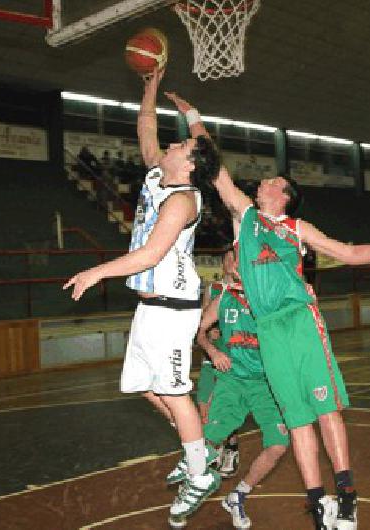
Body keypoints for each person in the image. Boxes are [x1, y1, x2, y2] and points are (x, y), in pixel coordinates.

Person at [166, 92, 370, 530]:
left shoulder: (295, 228)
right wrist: (193, 117)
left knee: (326, 413)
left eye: (271, 181)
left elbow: (346, 252)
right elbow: (214, 164)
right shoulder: (245, 217)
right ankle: (317, 502)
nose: (262, 183)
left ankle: (346, 496)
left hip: (300, 322)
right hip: (269, 332)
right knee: (299, 421)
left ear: (283, 195)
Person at [63, 68, 222, 528]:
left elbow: (150, 253)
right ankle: (199, 451)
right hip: (150, 306)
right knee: (145, 387)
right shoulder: (158, 177)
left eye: (181, 146)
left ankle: (199, 473)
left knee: (175, 393)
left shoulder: (184, 200)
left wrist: (96, 272)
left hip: (174, 309)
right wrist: (149, 92)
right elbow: (146, 131)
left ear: (189, 163)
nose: (170, 146)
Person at [168, 249, 289, 529]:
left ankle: (238, 495)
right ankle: (187, 492)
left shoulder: (270, 301)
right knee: (207, 444)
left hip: (264, 385)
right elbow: (199, 331)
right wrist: (212, 351)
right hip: (232, 382)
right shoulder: (224, 299)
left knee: (279, 445)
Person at [196, 248, 240, 478]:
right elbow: (203, 318)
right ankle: (217, 446)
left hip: (233, 355)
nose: (231, 262)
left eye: (235, 259)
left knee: (224, 404)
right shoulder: (213, 289)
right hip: (211, 354)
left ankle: (230, 447)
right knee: (204, 404)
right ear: (223, 264)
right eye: (227, 259)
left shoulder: (245, 290)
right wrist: (209, 328)